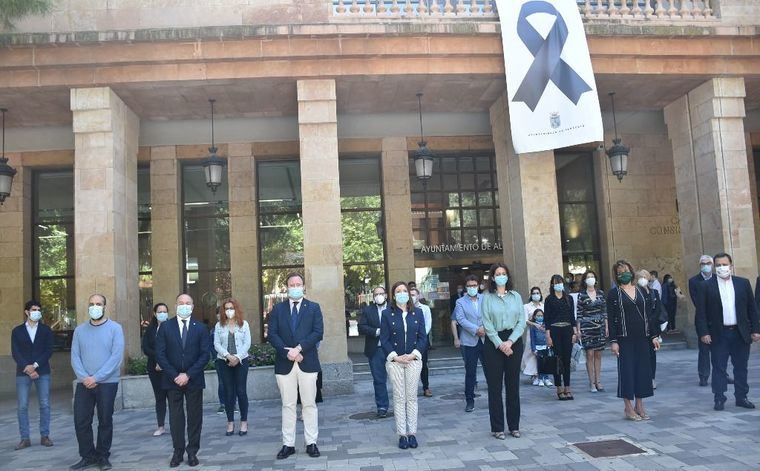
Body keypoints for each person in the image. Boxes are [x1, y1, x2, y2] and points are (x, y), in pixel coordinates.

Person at [268, 272, 323, 460]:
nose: (295, 286)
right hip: (285, 364)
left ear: (304, 286)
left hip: (307, 362)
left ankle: (311, 443)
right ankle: (288, 444)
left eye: (298, 284)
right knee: (288, 405)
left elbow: (317, 333)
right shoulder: (278, 309)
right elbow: (272, 334)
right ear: (287, 287)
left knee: (309, 404)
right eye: (292, 284)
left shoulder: (314, 308)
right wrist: (288, 352)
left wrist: (299, 349)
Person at [695, 253, 760, 411]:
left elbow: (752, 308)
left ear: (731, 265)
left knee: (741, 367)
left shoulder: (742, 283)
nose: (721, 267)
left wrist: (756, 330)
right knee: (719, 367)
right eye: (718, 265)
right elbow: (701, 312)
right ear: (714, 267)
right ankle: (719, 398)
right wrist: (704, 333)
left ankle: (741, 397)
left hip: (740, 332)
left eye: (724, 264)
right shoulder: (705, 286)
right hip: (719, 333)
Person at [70, 294, 124, 471]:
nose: (95, 307)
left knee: (105, 419)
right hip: (84, 383)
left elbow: (116, 357)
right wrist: (84, 377)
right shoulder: (79, 330)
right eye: (91, 304)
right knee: (81, 420)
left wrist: (97, 377)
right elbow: (75, 356)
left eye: (98, 304)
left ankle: (102, 455)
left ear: (104, 307)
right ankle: (87, 455)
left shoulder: (115, 328)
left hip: (107, 383)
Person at [156, 294, 210, 468]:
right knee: (176, 417)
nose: (184, 306)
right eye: (181, 303)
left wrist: (188, 374)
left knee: (195, 417)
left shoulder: (201, 328)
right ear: (175, 305)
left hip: (193, 379)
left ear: (193, 307)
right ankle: (177, 452)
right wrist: (175, 375)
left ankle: (192, 451)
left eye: (188, 303)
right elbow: (161, 354)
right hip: (172, 381)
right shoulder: (165, 327)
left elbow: (204, 355)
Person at [607, 261, 660, 421]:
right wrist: (614, 340)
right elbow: (611, 318)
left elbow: (648, 316)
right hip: (624, 339)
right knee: (627, 372)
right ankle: (628, 408)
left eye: (626, 270)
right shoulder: (614, 294)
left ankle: (640, 405)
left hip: (642, 337)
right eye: (620, 271)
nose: (624, 273)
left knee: (642, 372)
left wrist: (653, 335)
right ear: (616, 275)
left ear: (631, 271)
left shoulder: (641, 291)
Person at [381, 281, 427, 449]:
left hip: (413, 361)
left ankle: (412, 433)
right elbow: (384, 340)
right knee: (399, 398)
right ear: (394, 295)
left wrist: (414, 354)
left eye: (404, 291)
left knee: (412, 398)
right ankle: (402, 434)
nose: (402, 293)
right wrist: (395, 357)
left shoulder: (418, 313)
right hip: (395, 362)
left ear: (409, 293)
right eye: (398, 291)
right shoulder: (387, 314)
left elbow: (423, 337)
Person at [482, 263, 525, 440]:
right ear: (492, 277)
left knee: (513, 386)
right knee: (495, 387)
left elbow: (521, 322)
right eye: (497, 274)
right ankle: (497, 427)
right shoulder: (487, 298)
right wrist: (500, 344)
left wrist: (510, 341)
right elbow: (487, 323)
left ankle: (514, 426)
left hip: (513, 340)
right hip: (493, 343)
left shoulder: (516, 297)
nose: (501, 276)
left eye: (503, 273)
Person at [12, 299, 54, 451]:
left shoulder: (46, 330)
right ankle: (25, 438)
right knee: (22, 406)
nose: (36, 312)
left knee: (44, 404)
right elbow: (15, 352)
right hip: (22, 372)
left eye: (38, 310)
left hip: (42, 371)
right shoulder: (17, 331)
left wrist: (35, 366)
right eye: (33, 309)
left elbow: (48, 350)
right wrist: (27, 367)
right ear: (26, 312)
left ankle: (45, 436)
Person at [689, 255, 734, 387]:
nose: (706, 265)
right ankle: (703, 376)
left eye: (708, 263)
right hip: (703, 320)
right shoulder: (694, 281)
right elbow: (697, 301)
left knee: (720, 349)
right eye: (703, 263)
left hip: (719, 320)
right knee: (704, 350)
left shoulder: (718, 277)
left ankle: (723, 374)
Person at [214, 298, 252, 436]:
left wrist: (237, 357)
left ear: (236, 309)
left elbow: (247, 343)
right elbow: (216, 344)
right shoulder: (219, 326)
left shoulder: (244, 324)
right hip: (224, 362)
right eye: (227, 308)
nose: (229, 311)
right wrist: (227, 356)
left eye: (232, 308)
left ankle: (244, 421)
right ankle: (230, 422)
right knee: (229, 392)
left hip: (241, 361)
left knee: (241, 391)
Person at [453, 274, 486, 412]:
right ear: (466, 287)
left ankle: (494, 399)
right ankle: (469, 400)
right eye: (469, 286)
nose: (472, 288)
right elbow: (460, 319)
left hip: (486, 339)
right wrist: (476, 329)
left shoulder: (485, 299)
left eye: (474, 285)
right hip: (469, 341)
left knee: (491, 371)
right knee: (470, 373)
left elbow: (490, 315)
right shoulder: (460, 302)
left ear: (478, 286)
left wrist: (485, 328)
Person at [358, 286, 390, 418]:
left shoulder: (393, 309)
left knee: (399, 379)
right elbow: (361, 327)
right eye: (376, 294)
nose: (379, 296)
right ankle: (382, 406)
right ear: (373, 297)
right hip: (375, 350)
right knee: (379, 380)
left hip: (393, 350)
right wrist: (376, 331)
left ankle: (402, 404)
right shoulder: (368, 310)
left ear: (386, 295)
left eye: (381, 293)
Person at [544, 274, 577, 401]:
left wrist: (574, 333)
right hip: (555, 330)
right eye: (555, 282)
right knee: (557, 360)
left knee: (567, 360)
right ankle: (559, 388)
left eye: (560, 282)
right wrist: (548, 336)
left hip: (567, 330)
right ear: (552, 285)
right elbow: (547, 319)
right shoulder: (549, 299)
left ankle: (567, 387)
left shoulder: (568, 298)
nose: (558, 284)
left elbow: (572, 317)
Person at [575, 270, 608, 393]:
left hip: (599, 326)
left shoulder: (600, 293)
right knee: (589, 354)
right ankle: (591, 382)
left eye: (592, 276)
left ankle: (598, 381)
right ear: (584, 280)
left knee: (598, 354)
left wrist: (606, 326)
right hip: (586, 327)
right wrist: (578, 329)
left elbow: (604, 311)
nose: (590, 279)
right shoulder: (581, 295)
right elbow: (579, 313)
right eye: (588, 277)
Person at [141, 303, 170, 437]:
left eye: (164, 311)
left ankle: (176, 424)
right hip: (154, 368)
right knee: (159, 397)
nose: (162, 313)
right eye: (160, 311)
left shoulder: (172, 327)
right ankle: (161, 425)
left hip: (170, 368)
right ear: (155, 313)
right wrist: (157, 359)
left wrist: (163, 362)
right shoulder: (150, 329)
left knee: (173, 397)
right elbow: (146, 347)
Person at [636, 270, 666, 390]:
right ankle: (643, 378)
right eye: (640, 277)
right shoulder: (636, 292)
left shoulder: (654, 292)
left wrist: (652, 321)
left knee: (652, 355)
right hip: (640, 328)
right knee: (641, 355)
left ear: (649, 278)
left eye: (645, 277)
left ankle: (652, 378)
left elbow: (658, 308)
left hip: (653, 328)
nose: (643, 279)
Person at [410, 287, 432, 397]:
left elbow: (428, 324)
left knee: (423, 365)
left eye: (414, 295)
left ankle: (426, 387)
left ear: (418, 296)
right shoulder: (405, 308)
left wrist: (421, 336)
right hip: (409, 341)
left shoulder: (425, 308)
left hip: (422, 340)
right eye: (411, 295)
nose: (412, 297)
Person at [521, 287, 544, 385]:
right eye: (534, 293)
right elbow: (525, 320)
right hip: (532, 334)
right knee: (532, 353)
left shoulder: (543, 306)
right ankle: (535, 375)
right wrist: (535, 324)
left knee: (543, 353)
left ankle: (543, 375)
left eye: (538, 293)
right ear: (531, 295)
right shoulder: (526, 306)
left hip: (542, 334)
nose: (536, 295)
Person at [529, 309, 551, 386]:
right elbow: (532, 339)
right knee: (540, 363)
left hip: (546, 347)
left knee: (547, 362)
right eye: (538, 316)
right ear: (534, 317)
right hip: (538, 348)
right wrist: (533, 349)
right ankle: (540, 379)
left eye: (541, 316)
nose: (540, 317)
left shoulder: (546, 325)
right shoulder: (533, 326)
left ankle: (547, 378)